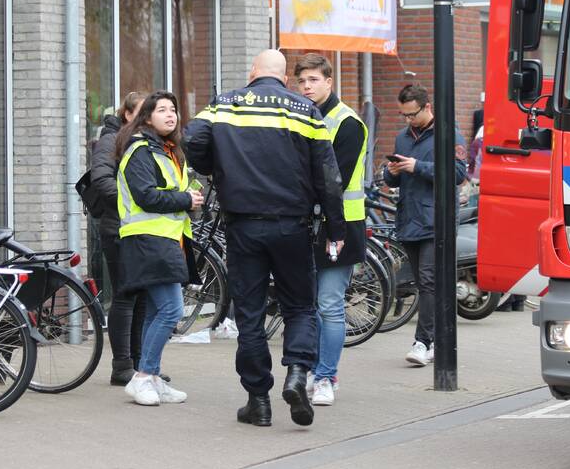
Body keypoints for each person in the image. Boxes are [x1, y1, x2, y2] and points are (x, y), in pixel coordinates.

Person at [184, 49, 345, 427]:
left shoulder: (224, 105)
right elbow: (328, 176)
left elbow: (192, 139)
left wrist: (215, 166)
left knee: (251, 314)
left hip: (243, 226)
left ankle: (258, 401)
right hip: (292, 225)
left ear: (252, 73)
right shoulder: (305, 111)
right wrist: (335, 228)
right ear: (285, 78)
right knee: (300, 307)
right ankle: (298, 375)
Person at [114, 91, 203, 406]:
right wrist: (185, 199)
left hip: (166, 239)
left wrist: (189, 197)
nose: (170, 114)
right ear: (147, 117)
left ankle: (150, 377)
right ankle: (143, 377)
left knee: (155, 312)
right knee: (171, 310)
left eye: (173, 109)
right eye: (162, 109)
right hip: (148, 240)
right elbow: (146, 196)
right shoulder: (140, 150)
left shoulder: (167, 150)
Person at [294, 54, 367, 407]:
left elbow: (333, 178)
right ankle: (316, 369)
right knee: (311, 305)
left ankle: (326, 377)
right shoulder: (302, 117)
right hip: (308, 224)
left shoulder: (347, 122)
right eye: (302, 81)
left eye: (313, 80)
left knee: (329, 305)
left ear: (329, 81)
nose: (306, 87)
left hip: (341, 225)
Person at [384, 84, 467, 368]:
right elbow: (395, 180)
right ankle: (437, 340)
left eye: (412, 114)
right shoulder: (402, 138)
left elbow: (458, 173)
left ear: (427, 106)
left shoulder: (448, 134)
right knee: (424, 284)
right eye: (404, 115)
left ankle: (422, 341)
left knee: (429, 280)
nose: (408, 120)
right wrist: (392, 172)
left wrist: (416, 166)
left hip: (437, 220)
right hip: (410, 219)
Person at [89, 91, 147, 385]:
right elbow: (101, 179)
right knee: (125, 296)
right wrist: (133, 203)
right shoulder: (111, 140)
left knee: (141, 298)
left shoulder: (143, 141)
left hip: (138, 228)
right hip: (118, 228)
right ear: (128, 114)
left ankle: (139, 364)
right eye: (142, 112)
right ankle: (122, 366)